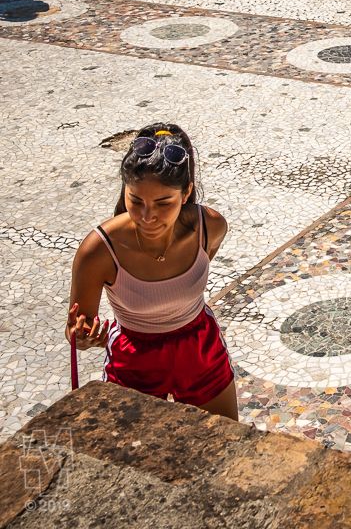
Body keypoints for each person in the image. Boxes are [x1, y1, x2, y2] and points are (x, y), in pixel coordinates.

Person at [65, 124, 237, 420]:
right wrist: (81, 337)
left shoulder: (211, 227)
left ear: (186, 194)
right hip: (134, 358)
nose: (147, 216)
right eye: (135, 201)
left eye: (163, 203)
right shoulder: (98, 250)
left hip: (199, 347)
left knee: (227, 444)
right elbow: (79, 326)